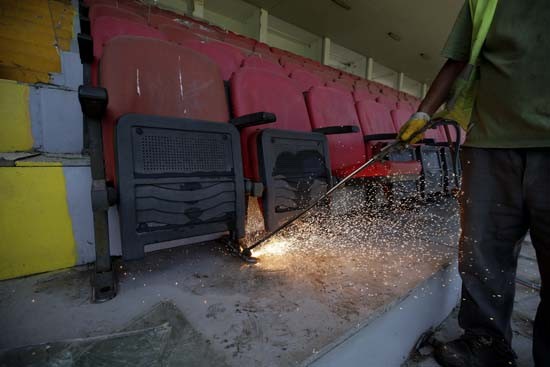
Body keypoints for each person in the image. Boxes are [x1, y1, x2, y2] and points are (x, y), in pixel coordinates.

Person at [398, 1, 550, 366]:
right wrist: (424, 111)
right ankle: (486, 342)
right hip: (490, 143)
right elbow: (457, 59)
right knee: (482, 250)